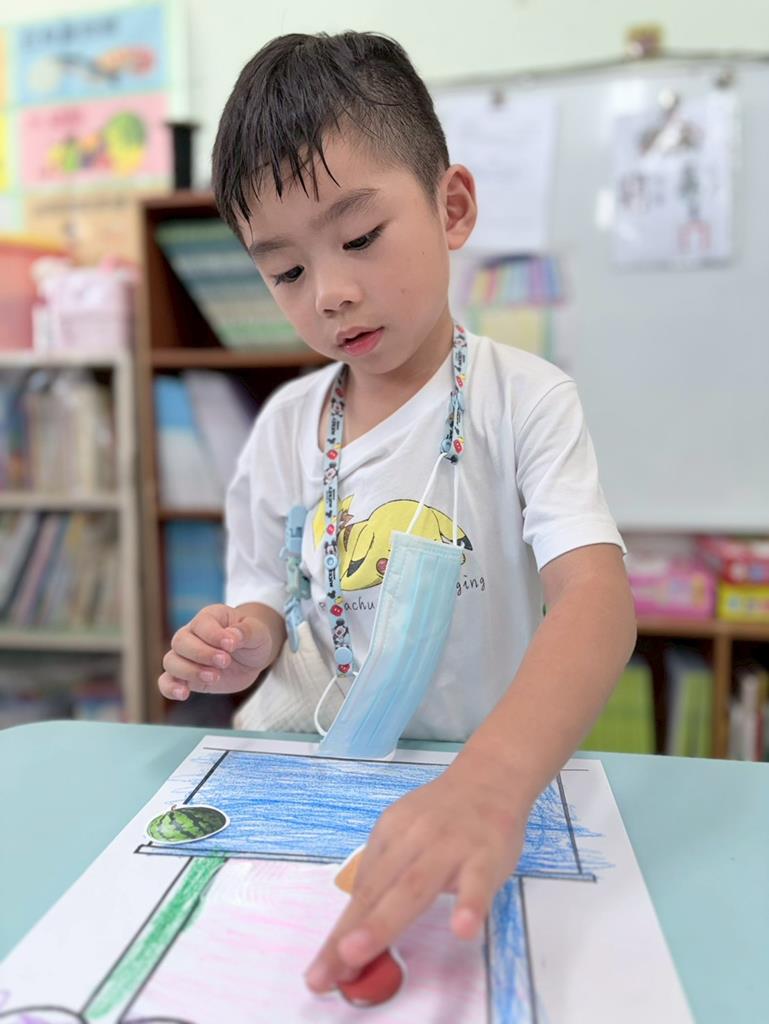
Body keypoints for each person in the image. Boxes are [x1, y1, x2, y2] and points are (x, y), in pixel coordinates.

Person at [157, 30, 637, 995]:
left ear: (451, 207)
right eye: (286, 272)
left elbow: (595, 600)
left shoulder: (523, 401)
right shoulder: (285, 427)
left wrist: (491, 783)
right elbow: (267, 598)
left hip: (478, 777)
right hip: (319, 779)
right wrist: (242, 640)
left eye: (360, 238)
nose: (331, 293)